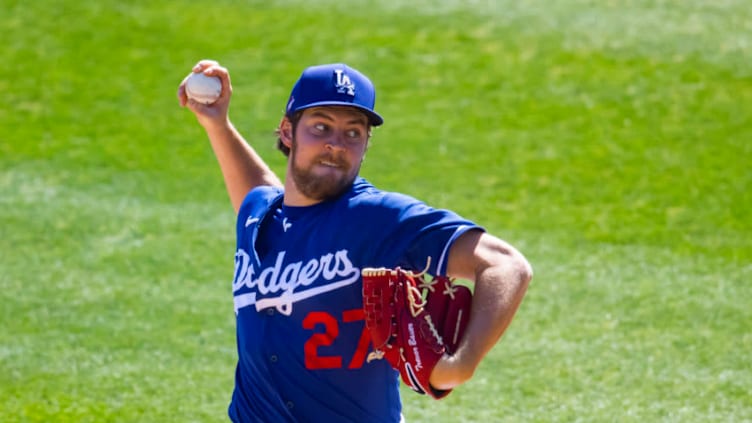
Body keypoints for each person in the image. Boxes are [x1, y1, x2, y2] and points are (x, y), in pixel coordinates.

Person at [178, 60, 533, 423]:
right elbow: (262, 194)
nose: (335, 144)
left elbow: (507, 264)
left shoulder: (378, 218)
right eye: (321, 127)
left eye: (353, 133)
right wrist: (217, 124)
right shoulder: (259, 213)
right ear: (287, 132)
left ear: (366, 145)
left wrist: (461, 365)